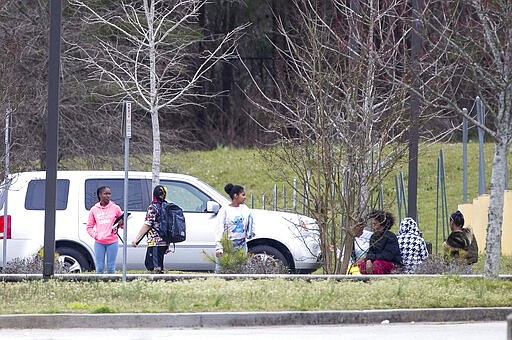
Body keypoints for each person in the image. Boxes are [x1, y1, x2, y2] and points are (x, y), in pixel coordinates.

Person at [214, 183, 255, 273]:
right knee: (222, 271)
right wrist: (219, 247)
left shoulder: (245, 209)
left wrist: (251, 231)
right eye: (243, 195)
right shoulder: (224, 210)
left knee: (241, 270)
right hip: (228, 245)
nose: (245, 197)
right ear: (236, 196)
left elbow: (251, 222)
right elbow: (219, 229)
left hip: (241, 244)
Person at [131, 185, 170, 274]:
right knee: (157, 266)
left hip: (155, 242)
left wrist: (136, 239)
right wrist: (168, 244)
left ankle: (156, 283)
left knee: (152, 267)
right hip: (164, 242)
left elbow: (147, 224)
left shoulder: (153, 207)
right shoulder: (166, 206)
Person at [86, 186, 124, 274]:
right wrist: (96, 235)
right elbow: (89, 226)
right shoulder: (94, 209)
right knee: (99, 267)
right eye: (105, 194)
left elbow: (122, 225)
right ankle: (98, 286)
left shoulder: (115, 208)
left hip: (112, 242)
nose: (108, 196)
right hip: (99, 242)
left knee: (111, 267)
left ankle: (112, 286)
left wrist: (122, 223)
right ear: (100, 195)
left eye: (109, 194)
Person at [358, 210, 402, 275]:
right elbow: (371, 251)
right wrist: (368, 260)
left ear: (382, 225)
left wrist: (370, 258)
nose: (373, 227)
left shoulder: (390, 237)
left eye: (375, 224)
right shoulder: (373, 236)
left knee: (377, 265)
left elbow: (386, 256)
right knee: (363, 266)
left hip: (391, 264)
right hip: (376, 260)